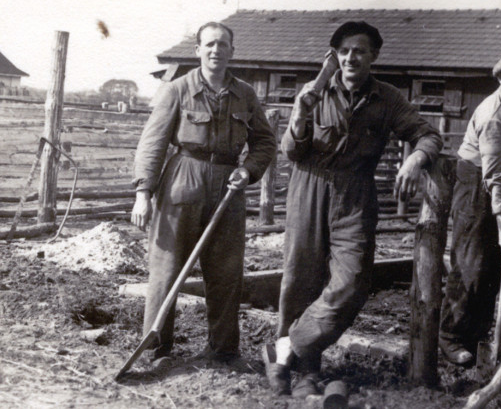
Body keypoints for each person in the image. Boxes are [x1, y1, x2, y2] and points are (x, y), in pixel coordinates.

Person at [263, 21, 443, 397]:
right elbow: (292, 153)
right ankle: (307, 372)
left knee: (352, 282)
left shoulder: (387, 97)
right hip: (309, 185)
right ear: (334, 56)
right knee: (301, 281)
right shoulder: (314, 92)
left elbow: (427, 134)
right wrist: (298, 115)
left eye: (359, 50)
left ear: (373, 56)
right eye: (344, 51)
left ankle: (284, 350)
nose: (351, 57)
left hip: (356, 193)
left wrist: (414, 161)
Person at [131, 21, 276, 368]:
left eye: (222, 44)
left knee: (227, 272)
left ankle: (223, 351)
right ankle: (156, 350)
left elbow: (265, 142)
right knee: (166, 269)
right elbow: (152, 143)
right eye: (209, 44)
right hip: (184, 179)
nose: (216, 51)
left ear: (231, 51)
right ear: (198, 50)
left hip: (229, 186)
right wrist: (143, 192)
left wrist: (249, 169)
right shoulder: (177, 90)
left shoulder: (245, 94)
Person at [438, 51, 501, 366]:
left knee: (493, 266)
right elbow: (493, 175)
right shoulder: (493, 114)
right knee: (471, 262)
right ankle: (450, 338)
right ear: (500, 79)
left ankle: (479, 336)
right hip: (475, 182)